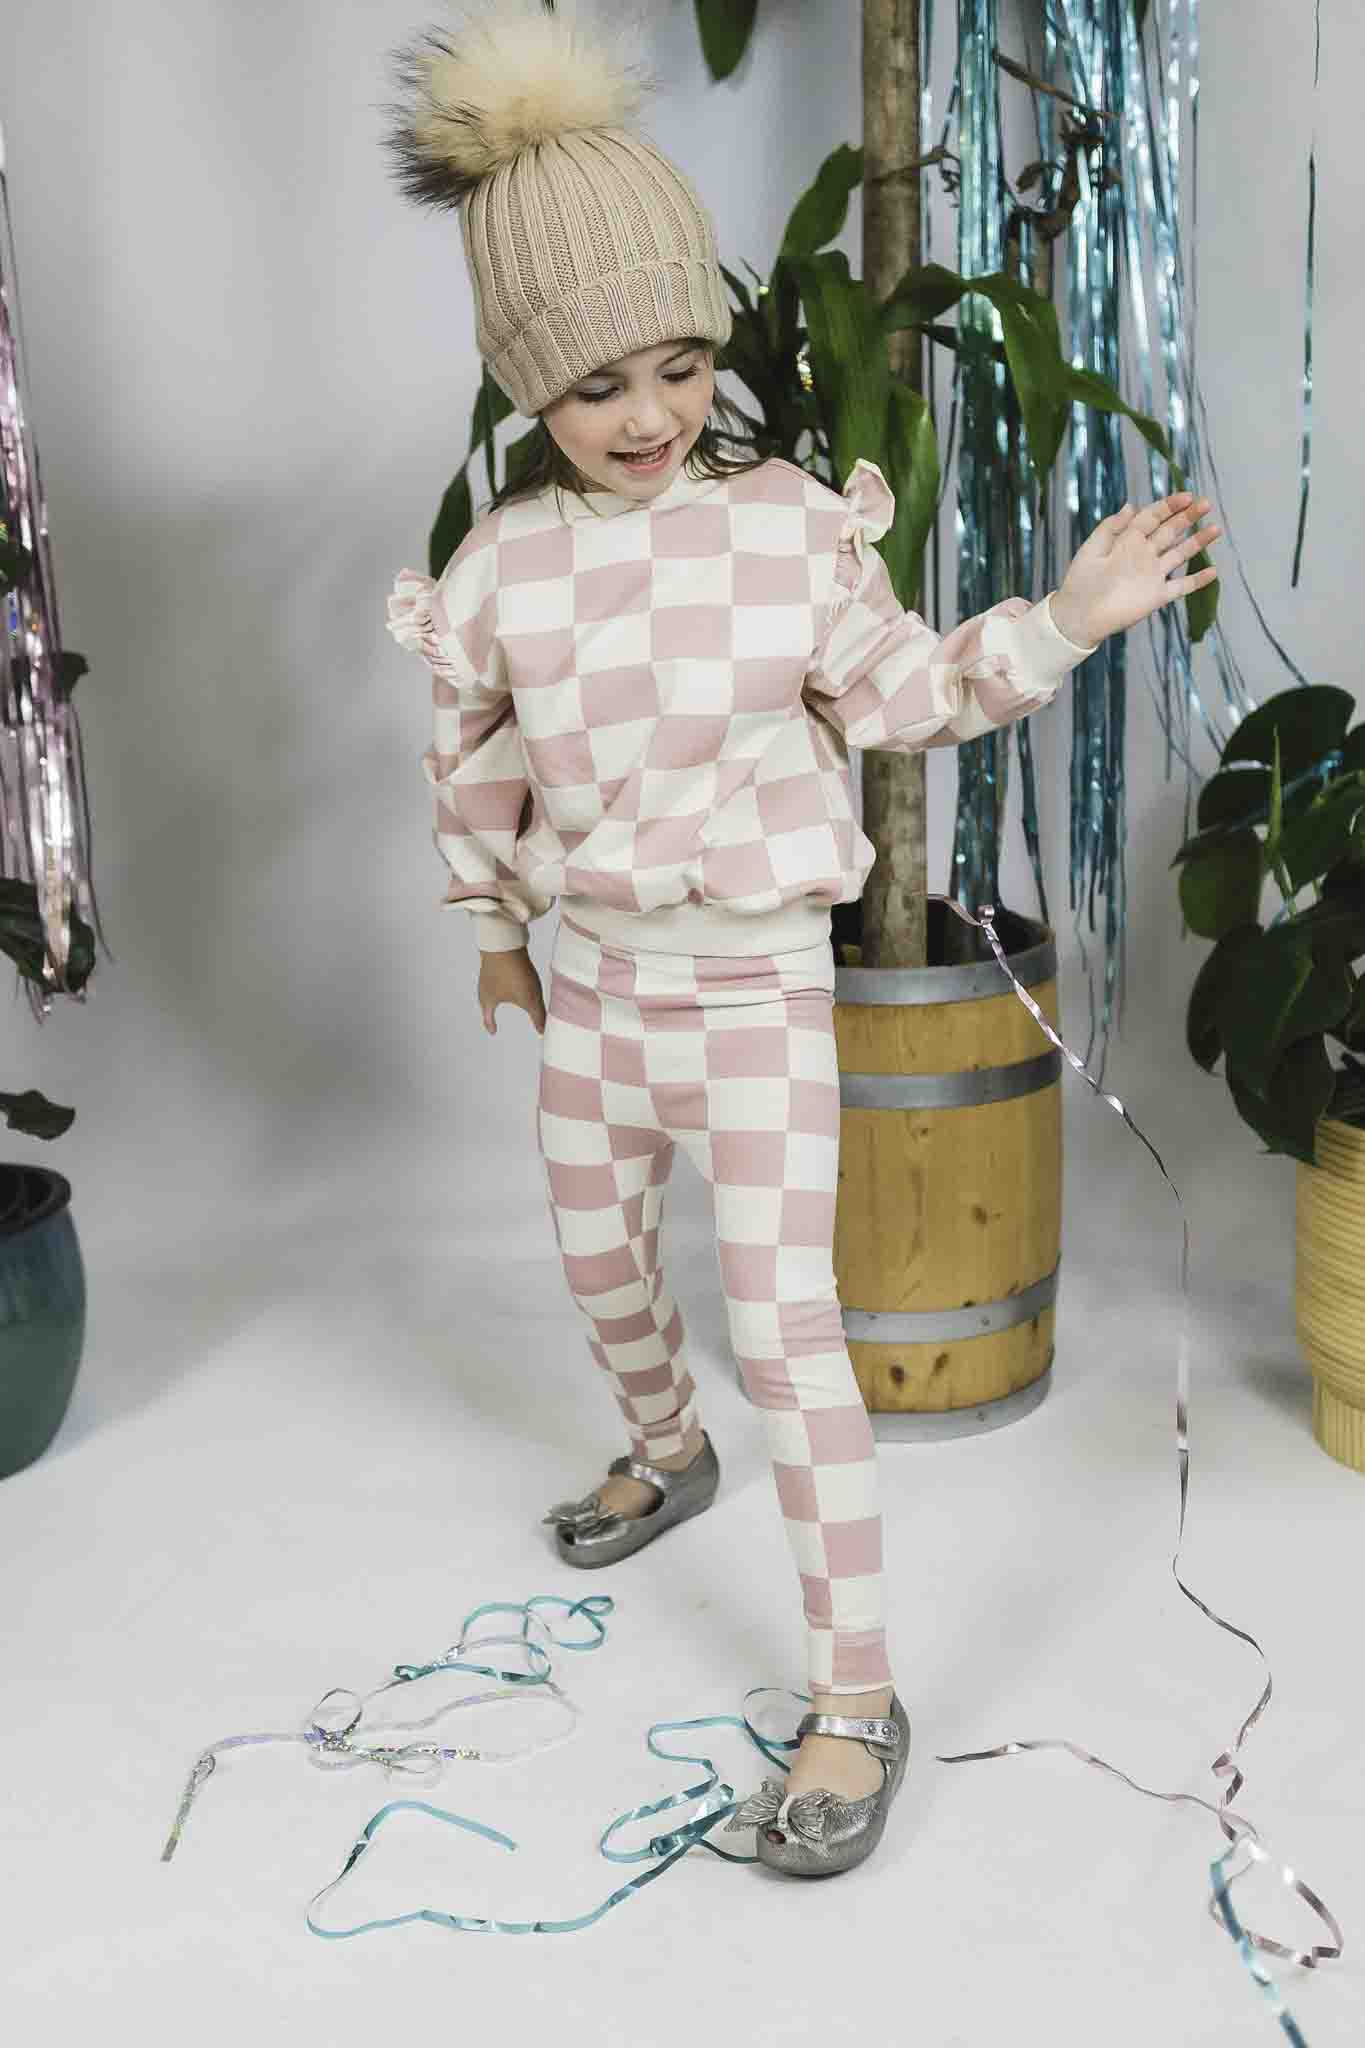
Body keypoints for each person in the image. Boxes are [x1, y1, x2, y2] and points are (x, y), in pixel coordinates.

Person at [382, 0, 1221, 1877]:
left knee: (792, 1339)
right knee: (598, 1264)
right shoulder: (501, 567)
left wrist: (1064, 616)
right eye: (596, 384)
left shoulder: (783, 533)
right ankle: (662, 1448)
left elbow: (911, 694)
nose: (649, 415)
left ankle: (853, 1694)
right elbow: (474, 757)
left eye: (680, 364)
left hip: (757, 995)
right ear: (527, 387)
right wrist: (498, 931)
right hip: (598, 988)